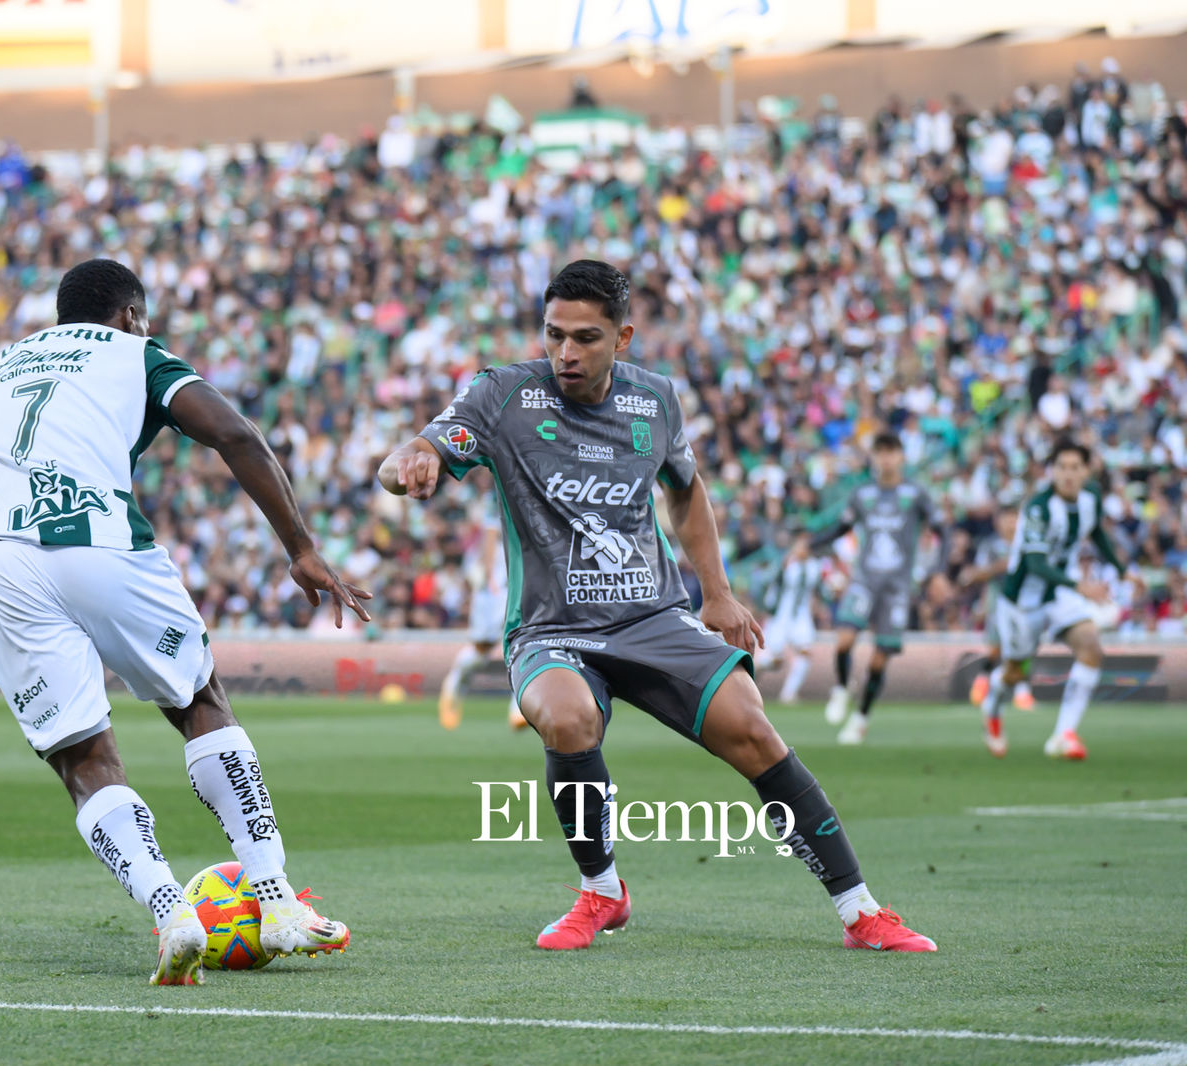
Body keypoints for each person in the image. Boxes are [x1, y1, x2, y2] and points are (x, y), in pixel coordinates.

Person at [378, 260, 934, 953]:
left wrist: (718, 591)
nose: (565, 353)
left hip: (651, 617)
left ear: (625, 338)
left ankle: (860, 912)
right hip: (554, 629)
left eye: (585, 337)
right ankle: (602, 892)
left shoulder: (655, 401)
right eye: (554, 335)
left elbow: (686, 488)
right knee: (566, 715)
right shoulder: (504, 394)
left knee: (755, 731)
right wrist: (411, 460)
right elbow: (421, 447)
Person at [0, 258, 372, 986]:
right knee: (198, 701)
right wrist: (300, 548)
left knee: (82, 756)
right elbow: (235, 434)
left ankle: (171, 915)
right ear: (131, 315)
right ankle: (277, 899)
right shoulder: (138, 353)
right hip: (96, 539)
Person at [980, 440, 1128, 759]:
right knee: (1015, 671)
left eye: (1075, 468)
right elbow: (1035, 564)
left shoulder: (1091, 499)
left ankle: (1064, 733)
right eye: (1061, 467)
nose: (1068, 475)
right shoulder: (1038, 507)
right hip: (1023, 600)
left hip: (1060, 593)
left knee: (1090, 645)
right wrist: (1080, 586)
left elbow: (1097, 534)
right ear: (1052, 471)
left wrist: (1122, 569)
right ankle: (992, 707)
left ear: (1086, 471)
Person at [816, 432, 946, 745]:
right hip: (864, 580)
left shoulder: (915, 494)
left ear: (901, 457)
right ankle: (842, 687)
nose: (886, 459)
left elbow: (943, 530)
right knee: (845, 639)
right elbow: (842, 527)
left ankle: (861, 717)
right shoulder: (862, 494)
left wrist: (938, 573)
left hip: (897, 587)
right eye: (880, 452)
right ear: (873, 457)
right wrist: (810, 544)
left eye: (891, 452)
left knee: (878, 659)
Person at [438, 508, 525, 731]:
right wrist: (489, 577)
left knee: (522, 642)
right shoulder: (499, 495)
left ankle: (519, 708)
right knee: (481, 649)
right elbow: (490, 532)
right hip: (495, 587)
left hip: (517, 583)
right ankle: (453, 687)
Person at [967, 504, 1036, 715]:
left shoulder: (1029, 545)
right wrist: (1001, 566)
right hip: (998, 601)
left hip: (1025, 601)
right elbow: (977, 574)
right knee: (998, 647)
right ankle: (983, 679)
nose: (1011, 524)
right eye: (1007, 518)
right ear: (999, 522)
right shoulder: (990, 546)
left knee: (1024, 646)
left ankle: (1022, 690)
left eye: (1015, 519)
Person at [755, 529, 816, 705]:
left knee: (805, 652)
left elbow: (819, 589)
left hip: (801, 616)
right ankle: (747, 681)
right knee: (774, 660)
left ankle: (789, 694)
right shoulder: (785, 563)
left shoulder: (814, 566)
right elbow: (768, 584)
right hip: (781, 617)